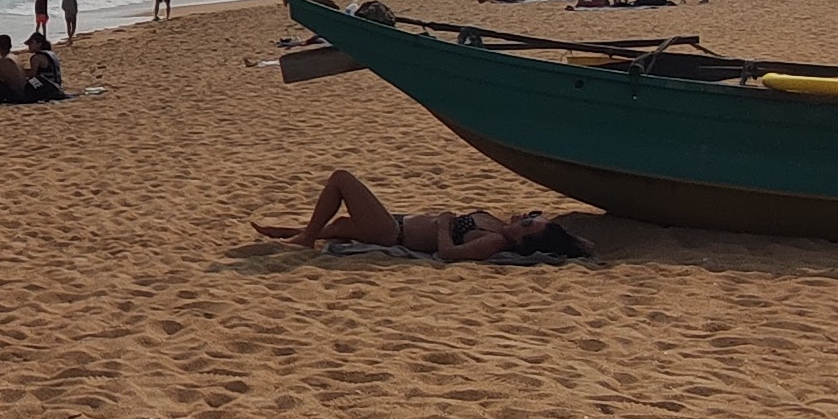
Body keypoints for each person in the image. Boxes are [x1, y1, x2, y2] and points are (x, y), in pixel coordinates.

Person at [252, 170, 592, 262]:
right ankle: (294, 232)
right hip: (398, 224)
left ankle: (306, 237)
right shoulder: (502, 226)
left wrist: (444, 224)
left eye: (529, 222)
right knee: (339, 225)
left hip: (394, 234)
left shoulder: (492, 241)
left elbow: (448, 254)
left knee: (342, 179)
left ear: (524, 238)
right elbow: (577, 243)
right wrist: (577, 244)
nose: (526, 218)